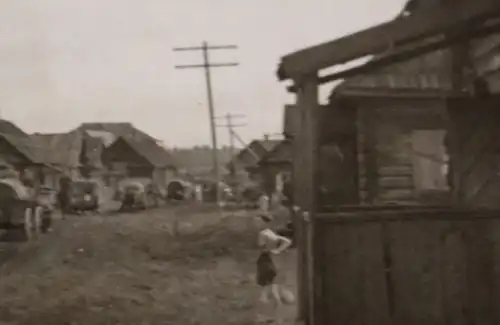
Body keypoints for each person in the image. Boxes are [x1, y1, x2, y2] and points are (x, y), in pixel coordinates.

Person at [255, 213, 292, 323]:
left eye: (258, 221)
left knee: (266, 291)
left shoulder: (262, 234)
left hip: (264, 262)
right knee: (272, 290)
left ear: (263, 222)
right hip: (273, 262)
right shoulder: (271, 233)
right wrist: (278, 250)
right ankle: (273, 317)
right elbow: (288, 241)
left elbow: (262, 249)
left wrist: (269, 250)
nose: (256, 223)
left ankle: (266, 317)